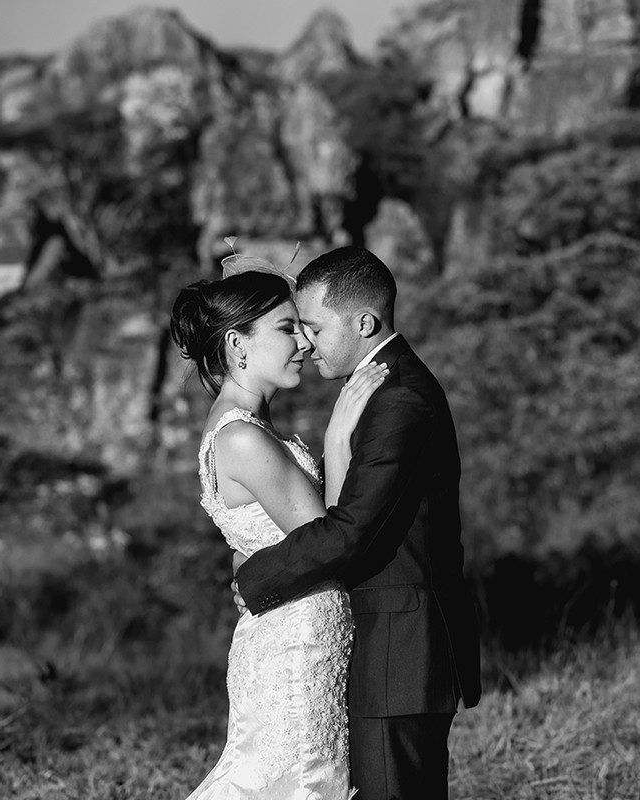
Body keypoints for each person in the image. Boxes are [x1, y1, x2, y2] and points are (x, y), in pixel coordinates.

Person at [235, 246, 482, 800]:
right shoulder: (380, 390)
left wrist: (255, 576)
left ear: (365, 323)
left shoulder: (398, 400)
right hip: (391, 651)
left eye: (316, 327)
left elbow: (353, 532)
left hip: (400, 653)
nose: (306, 342)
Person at [169, 254, 388, 799]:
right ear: (237, 345)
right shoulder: (242, 436)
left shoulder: (250, 426)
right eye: (286, 328)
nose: (305, 343)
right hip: (294, 644)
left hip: (300, 630)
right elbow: (331, 539)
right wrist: (338, 437)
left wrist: (248, 558)